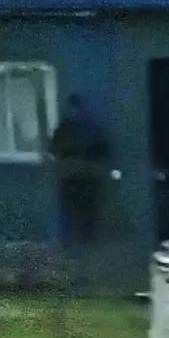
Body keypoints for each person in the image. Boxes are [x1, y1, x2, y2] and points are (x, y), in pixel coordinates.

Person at [48, 94, 118, 250]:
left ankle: (71, 244)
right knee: (87, 211)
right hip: (88, 177)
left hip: (70, 176)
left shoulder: (65, 128)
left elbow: (53, 150)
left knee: (71, 212)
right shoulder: (91, 127)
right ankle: (86, 243)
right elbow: (105, 151)